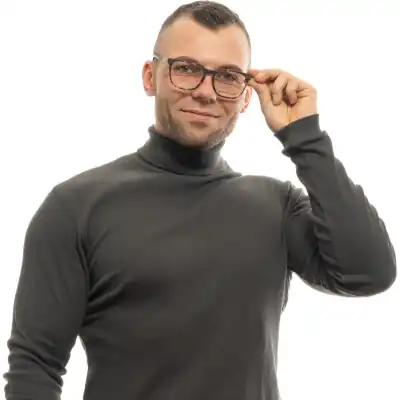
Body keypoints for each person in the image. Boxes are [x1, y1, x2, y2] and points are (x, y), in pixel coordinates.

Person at [3, 1, 396, 399]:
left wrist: (305, 138)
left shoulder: (276, 207)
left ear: (245, 96)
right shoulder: (76, 207)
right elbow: (35, 366)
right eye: (187, 69)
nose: (206, 92)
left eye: (227, 76)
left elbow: (369, 272)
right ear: (150, 77)